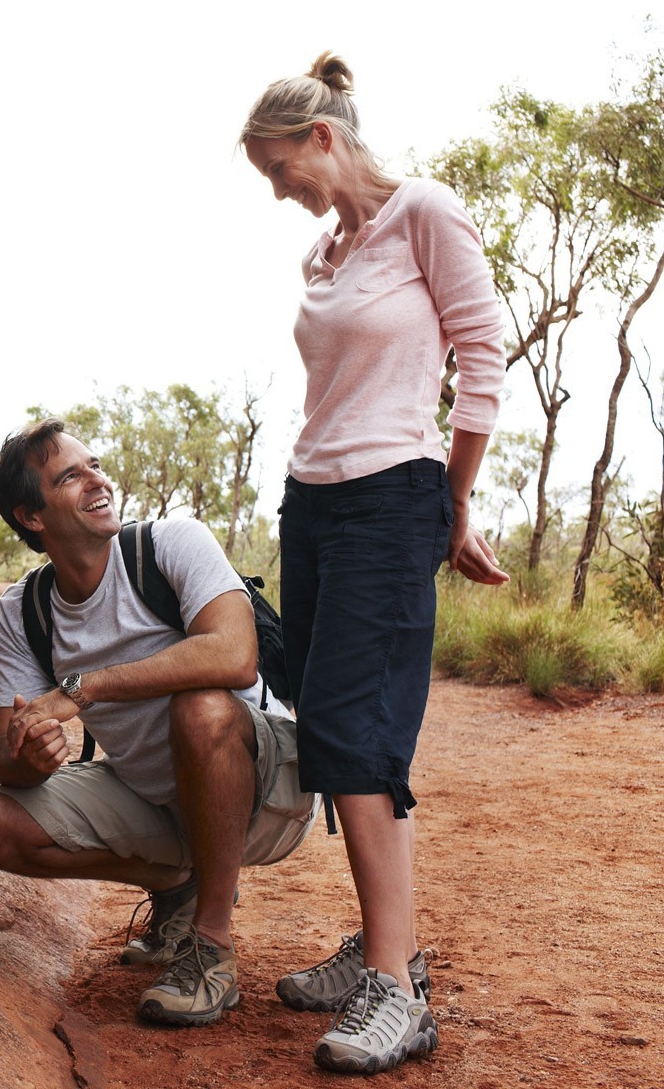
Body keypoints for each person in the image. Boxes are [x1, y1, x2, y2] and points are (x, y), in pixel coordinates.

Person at [240, 52, 509, 1075]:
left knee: (360, 730)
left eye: (280, 169)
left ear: (322, 138)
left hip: (393, 497)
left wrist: (454, 496)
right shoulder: (328, 251)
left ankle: (398, 989)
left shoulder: (424, 212)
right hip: (314, 501)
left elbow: (483, 353)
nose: (279, 193)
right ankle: (377, 951)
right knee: (327, 720)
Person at [0, 420, 318, 1027]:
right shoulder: (22, 611)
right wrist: (30, 754)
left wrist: (82, 689)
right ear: (32, 516)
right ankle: (180, 884)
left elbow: (235, 656)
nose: (98, 481)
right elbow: (5, 755)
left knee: (200, 706)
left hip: (269, 794)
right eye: (71, 476)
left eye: (94, 465)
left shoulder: (169, 545)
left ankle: (211, 948)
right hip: (159, 801)